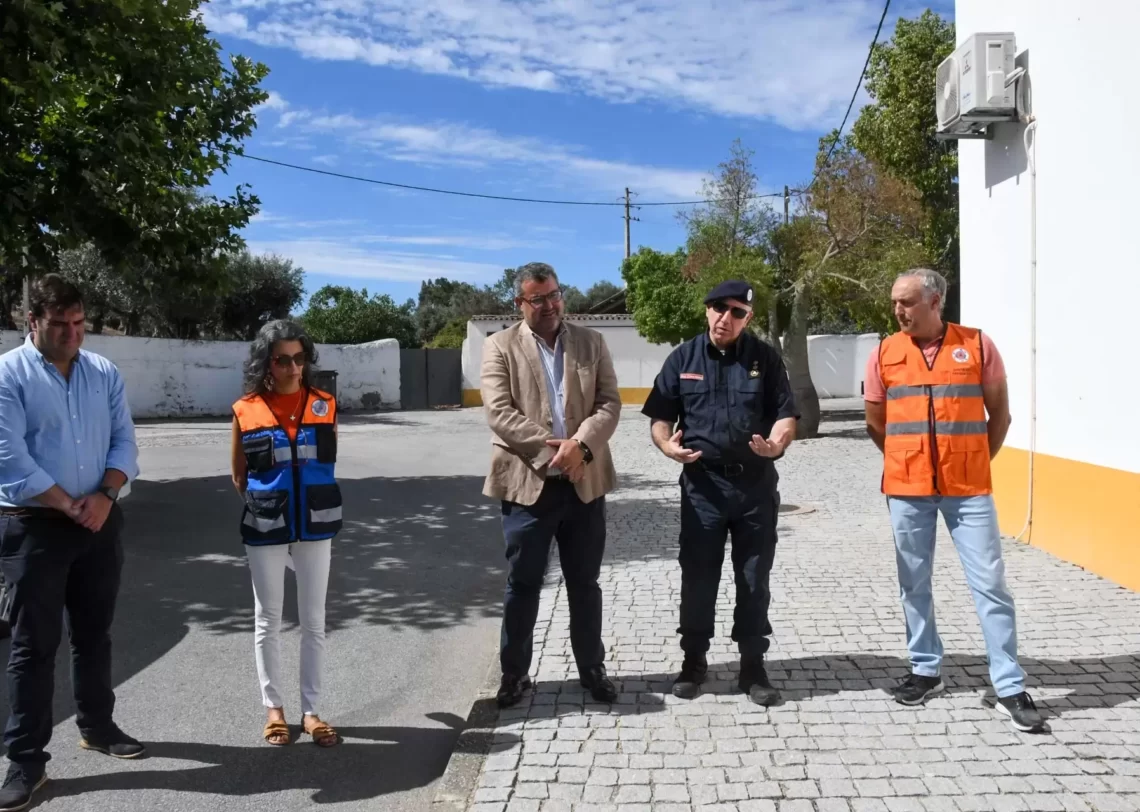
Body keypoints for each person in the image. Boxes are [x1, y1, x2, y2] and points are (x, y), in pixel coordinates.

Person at [863, 268, 1045, 733]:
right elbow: (875, 422)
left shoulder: (978, 346)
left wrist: (973, 462)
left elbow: (999, 416)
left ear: (935, 301)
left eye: (906, 302)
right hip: (907, 489)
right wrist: (909, 459)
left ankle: (1008, 686)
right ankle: (925, 670)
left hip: (968, 492)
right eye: (894, 303)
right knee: (913, 582)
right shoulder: (884, 352)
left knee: (991, 585)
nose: (898, 311)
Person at [0, 274, 143, 811]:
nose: (72, 335)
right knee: (33, 647)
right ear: (31, 321)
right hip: (35, 525)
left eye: (79, 323)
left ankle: (98, 726)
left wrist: (106, 495)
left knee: (93, 634)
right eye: (59, 324)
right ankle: (26, 761)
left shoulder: (102, 372)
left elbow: (124, 439)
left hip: (99, 519)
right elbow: (8, 456)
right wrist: (67, 503)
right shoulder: (9, 375)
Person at [642, 280, 799, 705]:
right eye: (717, 308)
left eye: (735, 312)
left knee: (753, 577)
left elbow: (786, 415)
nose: (724, 318)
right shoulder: (683, 358)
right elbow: (660, 415)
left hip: (754, 487)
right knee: (698, 576)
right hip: (702, 488)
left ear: (747, 318)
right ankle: (694, 661)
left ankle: (753, 666)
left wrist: (777, 444)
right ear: (707, 310)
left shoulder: (764, 359)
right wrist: (666, 445)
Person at [480, 262, 622, 708]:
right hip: (528, 486)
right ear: (519, 303)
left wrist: (580, 447)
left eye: (555, 295)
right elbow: (499, 414)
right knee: (522, 584)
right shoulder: (499, 347)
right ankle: (514, 675)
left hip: (584, 482)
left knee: (586, 583)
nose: (550, 305)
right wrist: (553, 451)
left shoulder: (591, 342)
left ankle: (591, 669)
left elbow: (609, 403)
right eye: (538, 299)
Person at [230, 320, 342, 747]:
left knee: (314, 621)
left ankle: (311, 712)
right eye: (283, 359)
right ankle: (274, 709)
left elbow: (327, 463)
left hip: (316, 525)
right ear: (266, 362)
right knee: (268, 619)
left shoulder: (325, 404)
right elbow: (239, 475)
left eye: (300, 358)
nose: (293, 367)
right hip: (266, 525)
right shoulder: (245, 409)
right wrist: (271, 501)